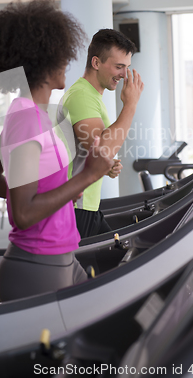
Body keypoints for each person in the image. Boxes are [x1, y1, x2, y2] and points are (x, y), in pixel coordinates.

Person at [0, 0, 112, 301]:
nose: (67, 61)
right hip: (37, 266)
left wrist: (62, 194)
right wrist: (86, 177)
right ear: (43, 60)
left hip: (62, 258)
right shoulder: (27, 120)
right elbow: (24, 213)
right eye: (62, 55)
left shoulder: (29, 113)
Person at [57, 29, 144, 238]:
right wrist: (130, 105)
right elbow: (101, 152)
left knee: (120, 259)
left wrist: (107, 166)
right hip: (76, 207)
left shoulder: (91, 96)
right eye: (119, 67)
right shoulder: (81, 97)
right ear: (96, 63)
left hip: (88, 206)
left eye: (127, 67)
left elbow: (95, 153)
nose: (124, 75)